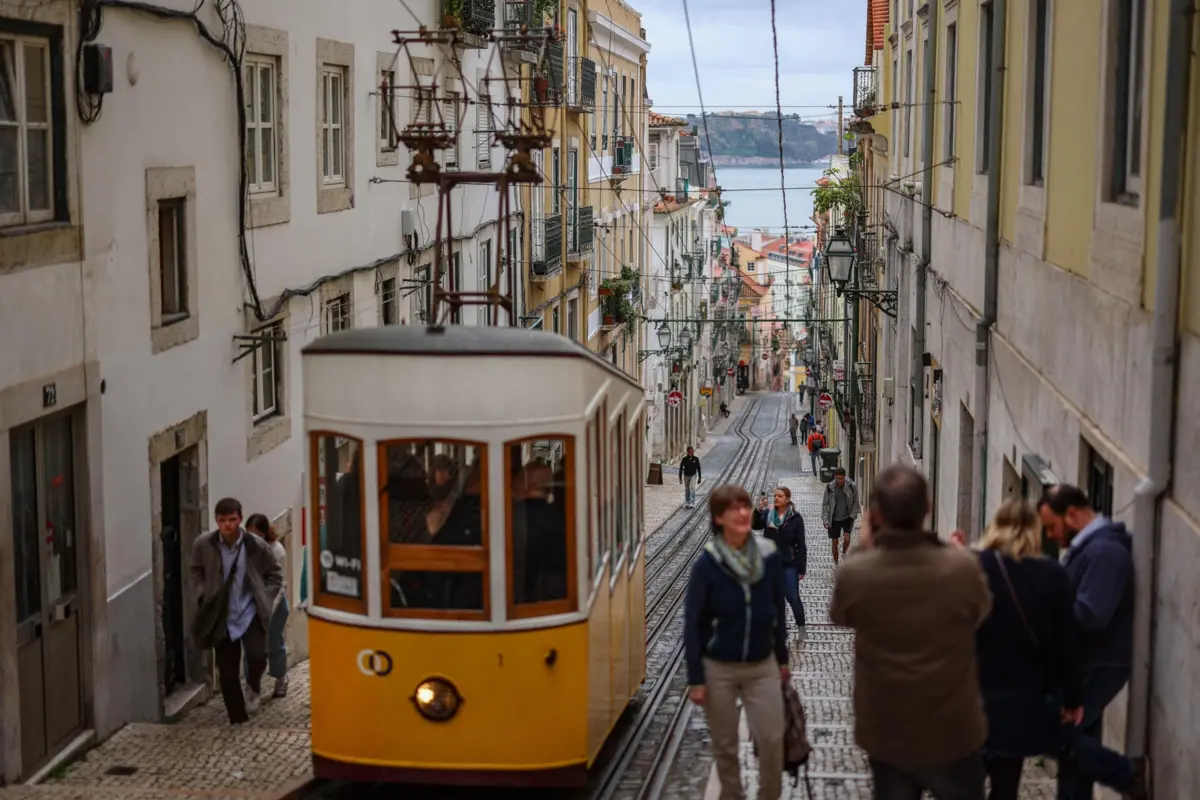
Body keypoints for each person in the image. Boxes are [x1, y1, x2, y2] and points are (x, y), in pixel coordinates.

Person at [831, 465, 992, 800]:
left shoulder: (857, 573)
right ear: (928, 508)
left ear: (876, 515)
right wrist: (956, 555)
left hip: (888, 734)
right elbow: (982, 611)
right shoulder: (961, 569)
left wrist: (865, 544)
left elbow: (840, 615)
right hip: (954, 731)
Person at [949, 500, 1082, 800]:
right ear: (1036, 532)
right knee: (1006, 786)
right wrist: (1072, 699)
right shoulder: (1053, 576)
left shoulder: (972, 565)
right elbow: (1066, 645)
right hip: (1022, 704)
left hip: (969, 698)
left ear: (994, 526)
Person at [1037, 485, 1147, 800]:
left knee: (1050, 729)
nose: (1051, 536)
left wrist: (1045, 606)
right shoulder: (1090, 549)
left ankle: (1126, 774)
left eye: (1052, 527)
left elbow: (1091, 614)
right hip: (1086, 661)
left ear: (1071, 514)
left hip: (1098, 663)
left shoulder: (1104, 553)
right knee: (1079, 740)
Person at [684, 485, 790, 800]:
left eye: (745, 507)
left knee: (772, 740)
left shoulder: (769, 557)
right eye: (734, 509)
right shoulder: (707, 564)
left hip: (762, 665)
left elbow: (777, 609)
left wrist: (782, 659)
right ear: (719, 519)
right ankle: (733, 795)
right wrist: (696, 678)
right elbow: (693, 623)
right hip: (719, 668)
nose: (744, 513)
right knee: (725, 746)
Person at [191, 498, 283, 724]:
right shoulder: (204, 544)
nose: (228, 525)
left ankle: (253, 687)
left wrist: (265, 596)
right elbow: (196, 570)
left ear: (240, 519)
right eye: (223, 521)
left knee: (257, 656)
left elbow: (275, 575)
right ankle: (237, 718)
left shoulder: (255, 545)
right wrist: (203, 593)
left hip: (250, 609)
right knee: (227, 671)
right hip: (222, 613)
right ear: (217, 521)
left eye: (232, 520)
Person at [242, 513, 290, 699]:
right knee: (250, 647)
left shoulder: (277, 551)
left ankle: (280, 678)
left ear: (264, 534)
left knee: (273, 643)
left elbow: (279, 584)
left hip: (274, 605)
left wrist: (268, 608)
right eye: (249, 534)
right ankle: (252, 685)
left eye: (257, 534)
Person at [754, 486, 807, 640]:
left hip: (788, 565)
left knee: (792, 596)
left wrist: (801, 568)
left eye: (780, 496)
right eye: (775, 496)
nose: (776, 498)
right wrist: (758, 509)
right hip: (769, 564)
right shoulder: (768, 514)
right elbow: (754, 525)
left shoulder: (795, 518)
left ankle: (801, 627)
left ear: (788, 499)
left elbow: (801, 545)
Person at [822, 467, 859, 565]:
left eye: (842, 478)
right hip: (834, 518)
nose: (840, 481)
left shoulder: (852, 486)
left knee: (847, 538)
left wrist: (853, 515)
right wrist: (825, 520)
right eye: (838, 478)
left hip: (847, 516)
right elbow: (825, 504)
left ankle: (843, 552)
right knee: (834, 542)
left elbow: (856, 501)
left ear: (845, 477)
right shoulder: (830, 487)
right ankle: (836, 563)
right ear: (835, 477)